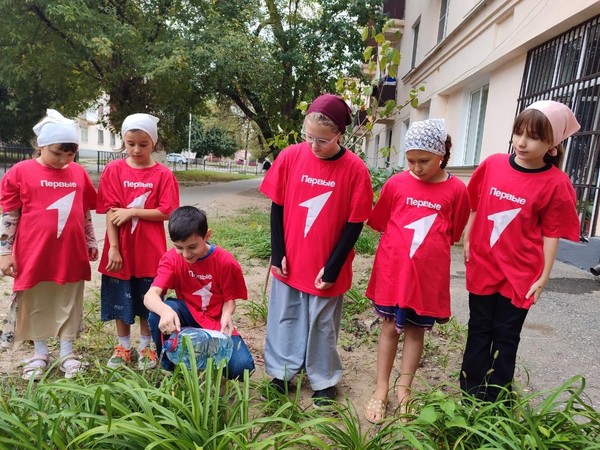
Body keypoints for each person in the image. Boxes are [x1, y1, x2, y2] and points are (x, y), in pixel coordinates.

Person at [460, 100, 581, 402]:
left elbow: (552, 233)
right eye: (518, 133)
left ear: (552, 144)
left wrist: (544, 276)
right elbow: (475, 200)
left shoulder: (556, 183)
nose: (522, 142)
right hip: (484, 264)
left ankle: (497, 401)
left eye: (534, 137)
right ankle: (470, 393)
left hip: (520, 273)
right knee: (478, 330)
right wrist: (468, 234)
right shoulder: (492, 164)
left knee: (505, 337)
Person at [259, 94, 373, 406]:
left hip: (326, 264)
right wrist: (278, 250)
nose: (313, 145)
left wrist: (334, 266)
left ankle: (323, 379)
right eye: (308, 136)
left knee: (323, 324)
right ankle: (282, 372)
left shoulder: (355, 170)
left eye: (321, 140)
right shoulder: (291, 157)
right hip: (290, 259)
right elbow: (277, 206)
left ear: (339, 135)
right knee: (286, 316)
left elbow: (355, 224)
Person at [363, 119, 470, 422]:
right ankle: (381, 389)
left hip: (426, 279)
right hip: (393, 273)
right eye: (411, 160)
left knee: (414, 331)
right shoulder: (396, 183)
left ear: (441, 155)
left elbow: (453, 231)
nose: (417, 167)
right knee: (387, 329)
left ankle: (403, 389)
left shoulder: (457, 191)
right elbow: (381, 220)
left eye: (424, 161)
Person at [0, 109, 98, 380]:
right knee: (36, 300)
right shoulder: (21, 171)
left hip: (70, 253)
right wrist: (5, 252)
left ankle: (67, 352)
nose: (64, 159)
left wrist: (90, 240)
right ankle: (40, 352)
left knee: (69, 300)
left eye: (71, 153)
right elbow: (9, 214)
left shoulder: (77, 173)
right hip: (33, 254)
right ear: (41, 145)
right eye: (58, 152)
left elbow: (85, 210)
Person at [97, 113, 179, 370]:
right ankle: (123, 346)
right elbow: (111, 210)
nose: (136, 149)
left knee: (148, 299)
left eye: (143, 144)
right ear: (124, 141)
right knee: (120, 299)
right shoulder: (114, 170)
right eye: (130, 143)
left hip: (150, 252)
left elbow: (167, 211)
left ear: (153, 142)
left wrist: (132, 211)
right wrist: (113, 247)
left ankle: (146, 346)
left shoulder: (163, 175)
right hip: (119, 251)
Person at [144, 206, 255, 378]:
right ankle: (172, 366)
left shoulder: (225, 262)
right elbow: (150, 296)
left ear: (207, 235)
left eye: (192, 247)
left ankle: (204, 355)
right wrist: (165, 311)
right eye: (179, 247)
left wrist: (226, 316)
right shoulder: (172, 258)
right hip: (187, 316)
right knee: (157, 313)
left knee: (241, 368)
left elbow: (229, 300)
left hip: (216, 323)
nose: (186, 254)